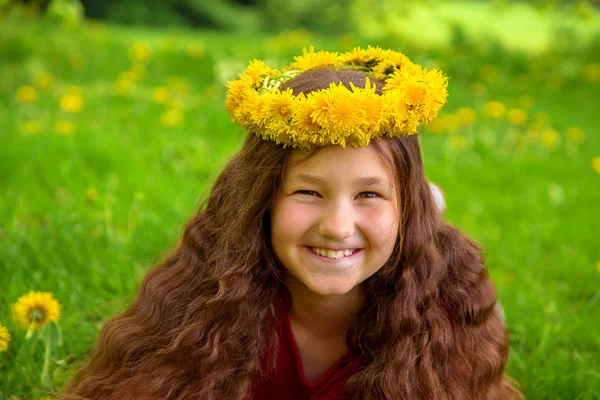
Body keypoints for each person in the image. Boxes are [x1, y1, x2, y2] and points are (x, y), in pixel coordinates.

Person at [62, 47, 523, 399]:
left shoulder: (441, 308)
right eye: (308, 192)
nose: (337, 226)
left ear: (407, 208)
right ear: (263, 199)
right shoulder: (205, 297)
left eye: (368, 194)